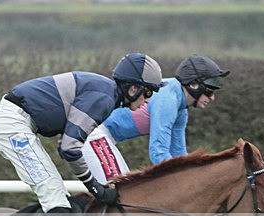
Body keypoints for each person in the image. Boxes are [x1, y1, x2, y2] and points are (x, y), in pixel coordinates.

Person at [0, 53, 165, 216]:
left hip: (19, 123)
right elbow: (70, 147)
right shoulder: (104, 98)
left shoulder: (106, 94)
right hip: (13, 126)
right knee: (57, 203)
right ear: (133, 88)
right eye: (147, 94)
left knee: (59, 200)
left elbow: (68, 144)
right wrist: (94, 186)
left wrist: (94, 185)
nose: (147, 101)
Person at [82, 54, 230, 183]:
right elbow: (158, 152)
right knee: (122, 191)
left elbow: (179, 154)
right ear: (193, 85)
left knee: (127, 192)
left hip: (105, 137)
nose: (212, 98)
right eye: (210, 91)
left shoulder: (180, 109)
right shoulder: (169, 100)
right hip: (93, 133)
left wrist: (193, 177)